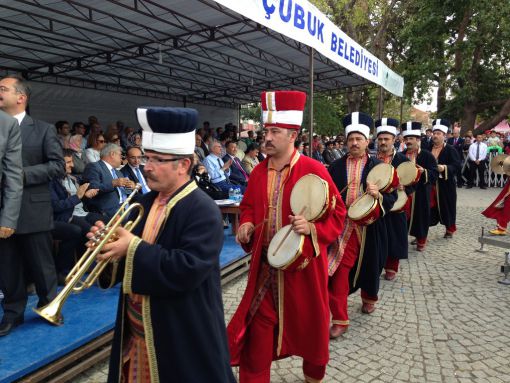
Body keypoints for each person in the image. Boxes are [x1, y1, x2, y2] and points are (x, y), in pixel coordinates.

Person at [89, 106, 235, 382]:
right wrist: (106, 251)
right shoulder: (143, 201)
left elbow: (187, 269)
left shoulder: (203, 209)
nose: (146, 166)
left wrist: (131, 248)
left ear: (183, 165)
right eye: (146, 157)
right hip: (136, 336)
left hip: (180, 337)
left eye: (157, 159)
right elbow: (126, 264)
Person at [228, 91, 346, 383]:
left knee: (311, 332)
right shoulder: (257, 173)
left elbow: (338, 214)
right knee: (256, 339)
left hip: (304, 272)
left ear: (292, 135)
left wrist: (313, 230)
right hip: (265, 274)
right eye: (265, 131)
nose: (265, 137)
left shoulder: (315, 170)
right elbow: (247, 209)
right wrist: (245, 226)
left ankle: (312, 376)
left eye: (274, 132)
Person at [0, 74, 65, 336]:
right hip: (3, 211)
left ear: (21, 97)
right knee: (7, 265)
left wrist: (20, 174)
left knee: (42, 264)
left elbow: (57, 166)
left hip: (32, 208)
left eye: (2, 88)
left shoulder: (43, 129)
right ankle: (13, 314)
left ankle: (50, 306)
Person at [327, 112, 396, 339]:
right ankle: (340, 319)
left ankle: (369, 299)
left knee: (371, 267)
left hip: (370, 229)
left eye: (359, 139)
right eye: (350, 139)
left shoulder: (380, 167)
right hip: (342, 229)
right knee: (336, 271)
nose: (354, 143)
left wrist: (378, 197)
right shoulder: (334, 167)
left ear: (368, 141)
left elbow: (393, 198)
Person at [50, 149, 102, 282]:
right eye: (68, 162)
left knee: (105, 222)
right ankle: (65, 271)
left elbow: (87, 185)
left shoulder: (73, 178)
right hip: (65, 217)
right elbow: (56, 207)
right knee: (90, 230)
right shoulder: (52, 182)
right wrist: (78, 196)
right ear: (58, 164)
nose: (72, 165)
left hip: (81, 212)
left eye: (71, 161)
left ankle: (98, 266)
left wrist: (85, 195)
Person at [375, 118, 412, 281]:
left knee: (394, 236)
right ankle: (375, 265)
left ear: (394, 140)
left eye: (386, 139)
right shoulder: (371, 158)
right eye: (380, 139)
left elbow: (414, 181)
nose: (383, 142)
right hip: (376, 204)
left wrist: (406, 187)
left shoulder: (403, 160)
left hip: (396, 205)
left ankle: (391, 267)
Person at [402, 122, 438, 251]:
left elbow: (434, 173)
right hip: (405, 192)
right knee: (404, 217)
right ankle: (402, 241)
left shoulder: (427, 155)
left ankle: (421, 240)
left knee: (421, 216)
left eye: (411, 139)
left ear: (418, 140)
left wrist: (425, 172)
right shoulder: (402, 155)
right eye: (406, 139)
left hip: (421, 192)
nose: (408, 141)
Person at [82, 143, 135, 220]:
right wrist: (113, 184)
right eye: (120, 155)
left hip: (125, 206)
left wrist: (130, 187)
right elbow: (92, 188)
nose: (122, 158)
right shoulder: (94, 167)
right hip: (108, 209)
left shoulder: (118, 172)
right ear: (112, 154)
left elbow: (127, 193)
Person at [429, 119, 461, 238]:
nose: (435, 136)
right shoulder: (428, 148)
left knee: (447, 206)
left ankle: (449, 229)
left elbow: (457, 165)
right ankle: (421, 233)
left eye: (438, 134)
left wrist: (444, 168)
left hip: (445, 184)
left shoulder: (450, 149)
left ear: (444, 135)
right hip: (430, 183)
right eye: (434, 133)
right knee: (426, 208)